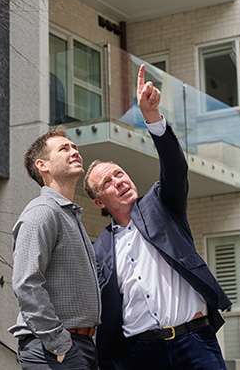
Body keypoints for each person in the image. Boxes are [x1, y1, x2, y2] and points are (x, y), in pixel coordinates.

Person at [86, 64, 231, 370]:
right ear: (99, 200)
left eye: (120, 173)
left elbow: (175, 168)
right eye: (108, 182)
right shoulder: (99, 248)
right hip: (141, 354)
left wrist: (152, 118)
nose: (119, 181)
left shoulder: (161, 205)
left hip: (193, 342)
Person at [10, 126, 100, 369]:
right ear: (43, 166)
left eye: (74, 147)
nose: (74, 151)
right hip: (52, 348)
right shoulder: (43, 212)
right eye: (64, 148)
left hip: (80, 344)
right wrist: (58, 343)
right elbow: (26, 284)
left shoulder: (69, 215)